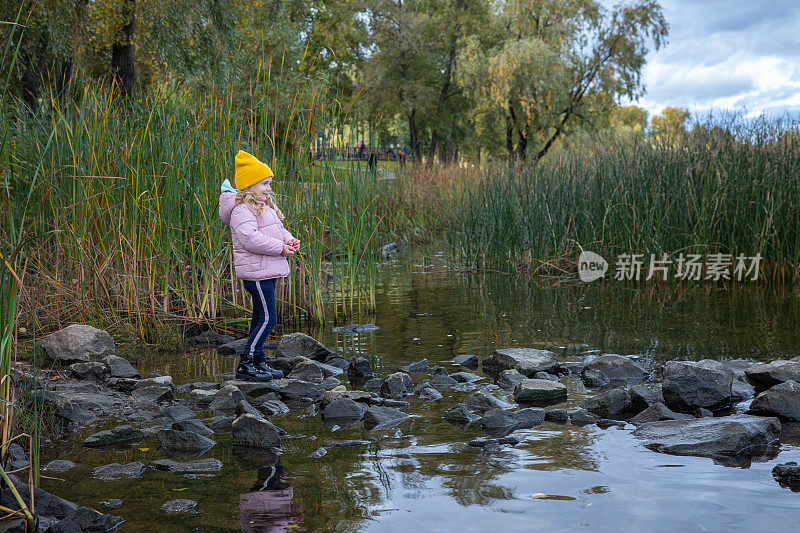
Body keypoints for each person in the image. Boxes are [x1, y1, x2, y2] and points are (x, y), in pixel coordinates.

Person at [218, 150, 300, 381]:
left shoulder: (265, 207)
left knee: (259, 317)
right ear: (250, 185)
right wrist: (280, 249)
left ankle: (260, 362)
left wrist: (289, 240)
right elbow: (251, 239)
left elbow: (279, 230)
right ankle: (247, 362)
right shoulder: (241, 210)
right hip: (256, 274)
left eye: (269, 183)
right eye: (264, 183)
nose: (268, 188)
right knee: (268, 319)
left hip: (267, 270)